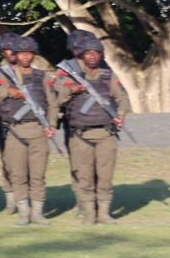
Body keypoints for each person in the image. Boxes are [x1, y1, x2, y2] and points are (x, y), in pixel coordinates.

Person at [53, 30, 132, 225]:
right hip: (80, 134)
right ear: (81, 54)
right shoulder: (66, 73)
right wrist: (71, 90)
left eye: (96, 53)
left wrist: (121, 114)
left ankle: (103, 213)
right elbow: (56, 100)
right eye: (88, 53)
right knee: (84, 176)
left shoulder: (108, 74)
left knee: (105, 176)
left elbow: (122, 98)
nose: (92, 56)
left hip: (105, 132)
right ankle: (88, 214)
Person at [0, 35, 55, 226]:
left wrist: (51, 125)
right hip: (14, 130)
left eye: (29, 53)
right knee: (17, 174)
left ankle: (37, 213)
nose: (25, 57)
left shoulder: (42, 76)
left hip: (38, 130)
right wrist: (8, 91)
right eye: (21, 53)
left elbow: (52, 103)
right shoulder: (3, 76)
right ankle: (23, 212)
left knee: (37, 175)